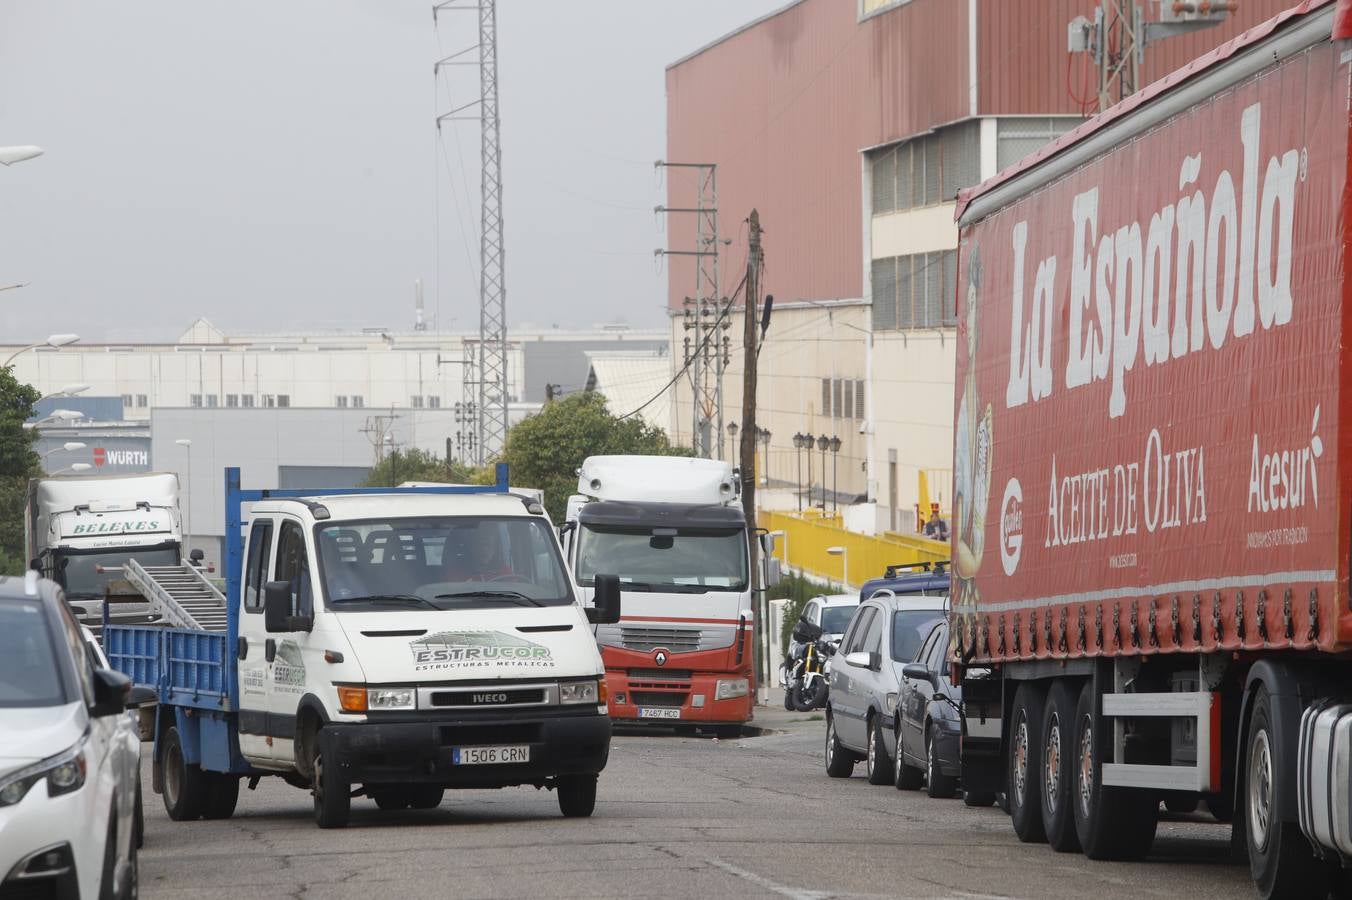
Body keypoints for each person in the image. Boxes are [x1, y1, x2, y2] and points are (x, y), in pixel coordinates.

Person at [444, 524, 513, 582]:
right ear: (472, 547)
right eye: (480, 545)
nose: (485, 550)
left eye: (489, 545)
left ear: (495, 549)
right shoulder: (456, 573)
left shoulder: (505, 573)